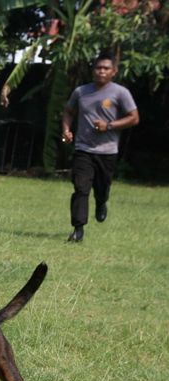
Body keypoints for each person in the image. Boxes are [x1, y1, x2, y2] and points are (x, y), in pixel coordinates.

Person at [61, 52, 139, 242]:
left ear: (114, 71)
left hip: (108, 151)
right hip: (83, 149)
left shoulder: (120, 93)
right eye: (98, 68)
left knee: (102, 188)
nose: (101, 71)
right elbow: (68, 112)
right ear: (93, 70)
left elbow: (134, 118)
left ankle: (101, 202)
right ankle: (78, 230)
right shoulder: (81, 91)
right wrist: (66, 129)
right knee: (81, 188)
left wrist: (109, 126)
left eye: (106, 68)